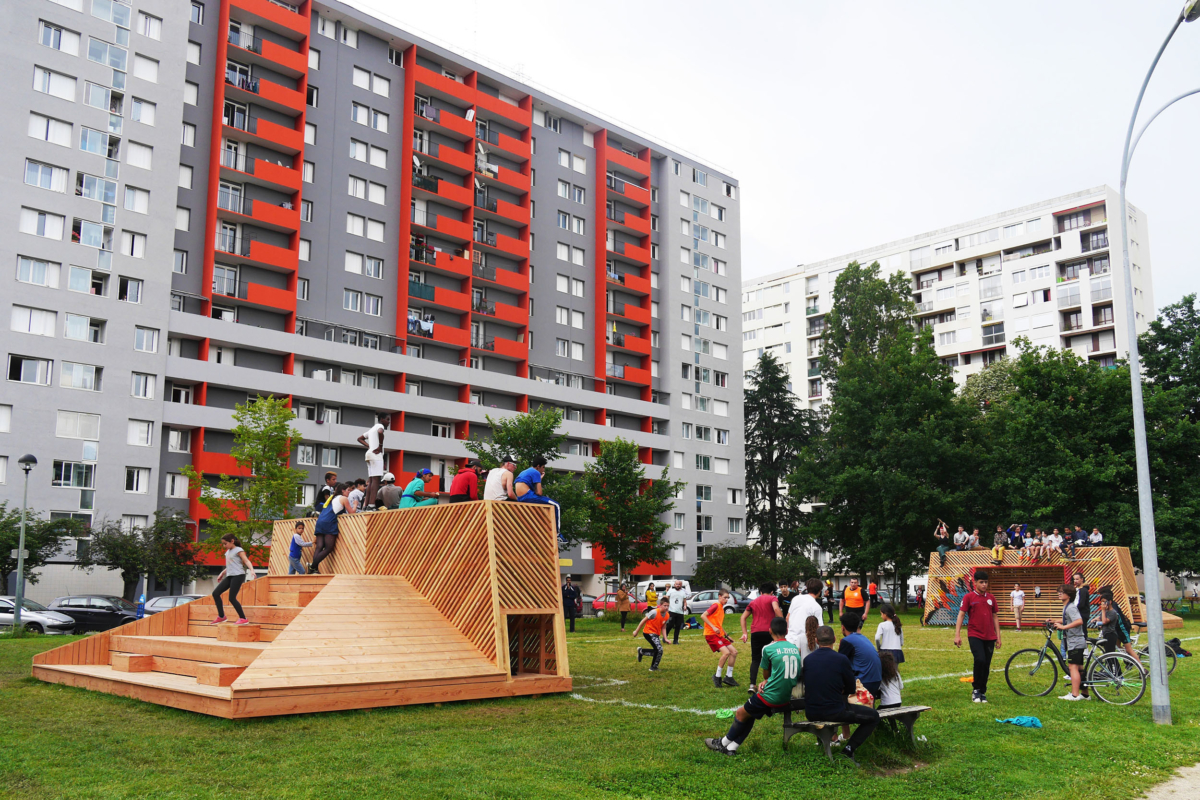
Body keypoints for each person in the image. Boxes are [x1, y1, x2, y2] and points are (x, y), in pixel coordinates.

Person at [704, 617, 799, 756]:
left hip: (771, 696)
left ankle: (722, 743)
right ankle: (732, 748)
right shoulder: (794, 648)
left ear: (770, 630)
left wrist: (766, 681)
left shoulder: (768, 648)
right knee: (750, 713)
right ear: (786, 630)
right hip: (786, 696)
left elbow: (766, 674)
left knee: (741, 713)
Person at [802, 625, 880, 765]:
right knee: (873, 716)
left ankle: (832, 745)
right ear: (835, 639)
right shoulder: (841, 659)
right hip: (834, 711)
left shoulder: (808, 660)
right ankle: (848, 750)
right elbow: (851, 688)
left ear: (816, 640)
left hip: (812, 712)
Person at [954, 570, 1001, 703]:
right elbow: (961, 615)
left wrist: (998, 636)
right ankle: (976, 689)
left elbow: (995, 617)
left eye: (986, 582)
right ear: (975, 583)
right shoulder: (968, 597)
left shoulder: (991, 598)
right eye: (981, 582)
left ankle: (982, 691)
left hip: (990, 636)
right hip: (975, 634)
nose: (984, 585)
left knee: (986, 664)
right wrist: (957, 635)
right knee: (979, 660)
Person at [740, 582, 781, 686]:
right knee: (771, 658)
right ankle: (771, 683)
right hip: (769, 633)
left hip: (756, 633)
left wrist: (745, 633)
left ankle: (752, 685)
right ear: (772, 592)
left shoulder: (753, 602)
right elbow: (776, 608)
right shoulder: (773, 598)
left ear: (761, 592)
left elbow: (743, 617)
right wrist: (783, 622)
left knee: (755, 659)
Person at [209, 534, 256, 625]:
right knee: (215, 593)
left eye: (225, 544)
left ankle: (243, 618)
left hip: (238, 575)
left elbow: (246, 560)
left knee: (232, 598)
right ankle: (222, 616)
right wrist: (222, 573)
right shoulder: (228, 552)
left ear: (232, 541)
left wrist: (252, 570)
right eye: (223, 544)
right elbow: (231, 565)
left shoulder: (238, 550)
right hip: (230, 576)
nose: (224, 546)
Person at [310, 482, 354, 574]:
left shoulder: (331, 498)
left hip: (320, 521)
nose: (349, 492)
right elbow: (352, 512)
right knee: (329, 547)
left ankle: (314, 570)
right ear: (343, 490)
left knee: (319, 546)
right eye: (348, 490)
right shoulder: (344, 498)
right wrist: (356, 504)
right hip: (329, 522)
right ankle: (312, 566)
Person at [514, 457, 561, 539]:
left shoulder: (525, 471)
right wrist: (539, 478)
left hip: (520, 497)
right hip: (528, 496)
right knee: (556, 505)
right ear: (538, 466)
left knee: (540, 506)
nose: (543, 470)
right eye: (543, 467)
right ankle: (557, 534)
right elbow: (539, 492)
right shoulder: (535, 472)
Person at [839, 612, 882, 699]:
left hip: (864, 682)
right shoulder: (863, 638)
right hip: (876, 681)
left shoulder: (847, 641)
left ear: (843, 627)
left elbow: (839, 664)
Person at [1054, 583, 1086, 701]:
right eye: (1059, 591)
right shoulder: (1067, 607)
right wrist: (1054, 620)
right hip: (1075, 641)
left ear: (1069, 595)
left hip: (1075, 641)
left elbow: (1078, 621)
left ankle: (1075, 694)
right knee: (1080, 669)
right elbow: (1067, 619)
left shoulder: (1071, 607)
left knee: (1073, 667)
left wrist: (1063, 627)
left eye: (1062, 592)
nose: (1059, 593)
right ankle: (1085, 694)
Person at [701, 589, 739, 687]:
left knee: (734, 652)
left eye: (728, 598)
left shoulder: (721, 608)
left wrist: (726, 635)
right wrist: (713, 627)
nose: (726, 600)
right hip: (711, 634)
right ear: (719, 596)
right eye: (725, 597)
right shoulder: (716, 605)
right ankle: (717, 676)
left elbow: (719, 625)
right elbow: (703, 616)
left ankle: (729, 677)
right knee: (726, 653)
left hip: (718, 635)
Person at [355, 412, 390, 510]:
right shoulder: (379, 426)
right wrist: (380, 446)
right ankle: (371, 505)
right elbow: (380, 432)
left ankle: (366, 505)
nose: (389, 422)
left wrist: (369, 446)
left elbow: (360, 438)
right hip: (376, 455)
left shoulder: (372, 429)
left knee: (371, 481)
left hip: (369, 454)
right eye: (387, 419)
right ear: (382, 419)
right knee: (376, 480)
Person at [787, 578, 825, 661]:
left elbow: (788, 617)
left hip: (789, 640)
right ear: (820, 590)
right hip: (804, 643)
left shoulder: (796, 598)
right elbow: (820, 629)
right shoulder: (817, 607)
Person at [632, 598, 670, 671]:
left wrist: (665, 638)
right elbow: (643, 621)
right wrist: (636, 631)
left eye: (668, 606)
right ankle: (653, 667)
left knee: (657, 651)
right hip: (648, 632)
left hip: (656, 634)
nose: (666, 607)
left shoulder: (667, 615)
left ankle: (641, 651)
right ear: (660, 605)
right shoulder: (654, 612)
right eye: (665, 605)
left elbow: (664, 627)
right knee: (659, 649)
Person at [665, 580, 690, 645]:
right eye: (676, 584)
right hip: (672, 611)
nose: (678, 585)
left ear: (681, 585)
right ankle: (665, 637)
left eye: (679, 584)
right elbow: (666, 599)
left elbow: (684, 601)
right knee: (670, 625)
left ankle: (675, 641)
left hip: (680, 612)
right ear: (674, 584)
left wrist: (685, 606)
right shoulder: (671, 591)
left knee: (678, 626)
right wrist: (666, 607)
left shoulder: (683, 592)